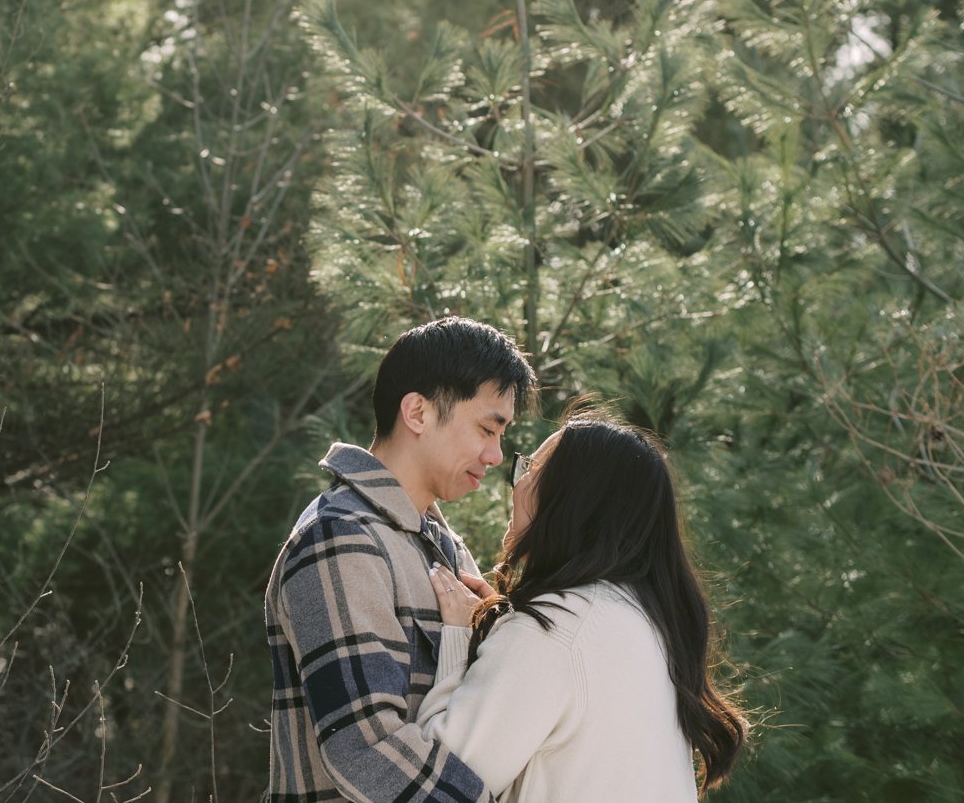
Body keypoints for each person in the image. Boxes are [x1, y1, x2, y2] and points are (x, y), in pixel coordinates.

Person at [264, 317, 537, 803]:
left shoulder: (439, 541)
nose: (496, 455)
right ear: (417, 412)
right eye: (486, 429)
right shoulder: (340, 538)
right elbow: (365, 750)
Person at [416, 412, 748, 801]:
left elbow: (439, 782)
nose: (517, 483)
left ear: (572, 499)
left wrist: (460, 636)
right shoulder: (645, 621)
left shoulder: (554, 627)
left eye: (531, 469)